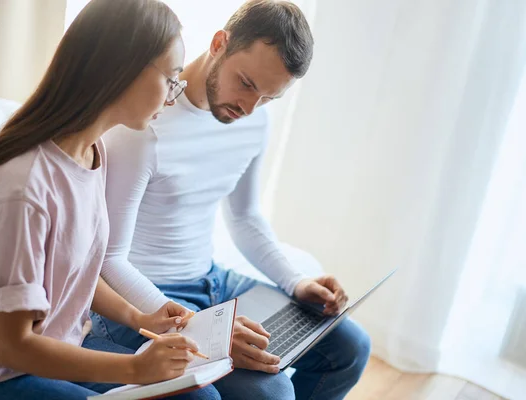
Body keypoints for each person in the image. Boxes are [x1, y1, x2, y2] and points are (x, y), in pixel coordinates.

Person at [0, 1, 220, 399]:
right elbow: (11, 345)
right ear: (123, 68)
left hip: (47, 350)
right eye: (171, 78)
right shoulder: (21, 189)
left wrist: (138, 317)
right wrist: (135, 367)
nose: (173, 94)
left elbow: (69, 267)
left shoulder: (91, 152)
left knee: (197, 396)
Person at [97, 0, 371, 399]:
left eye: (268, 98)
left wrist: (295, 282)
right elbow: (108, 258)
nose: (249, 108)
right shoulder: (143, 123)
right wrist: (200, 328)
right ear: (219, 43)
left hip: (212, 281)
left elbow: (244, 217)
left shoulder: (254, 120)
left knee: (349, 348)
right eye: (246, 83)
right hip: (144, 295)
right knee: (272, 391)